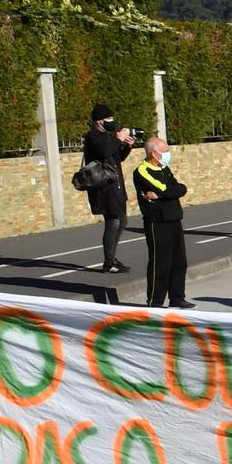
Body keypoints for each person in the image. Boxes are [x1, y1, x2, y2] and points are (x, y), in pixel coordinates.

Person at [133, 137, 192, 311]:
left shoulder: (164, 168)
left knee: (179, 262)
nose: (168, 154)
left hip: (174, 218)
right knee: (160, 263)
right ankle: (155, 301)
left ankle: (177, 298)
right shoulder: (143, 171)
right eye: (165, 151)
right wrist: (166, 193)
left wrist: (162, 195)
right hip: (157, 221)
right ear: (154, 153)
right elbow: (165, 189)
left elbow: (180, 188)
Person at [81, 104, 133, 274]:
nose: (112, 121)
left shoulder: (108, 137)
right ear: (99, 121)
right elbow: (103, 152)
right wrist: (118, 139)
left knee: (122, 221)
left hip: (116, 185)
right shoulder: (93, 137)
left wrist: (127, 146)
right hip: (104, 187)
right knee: (113, 222)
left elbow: (117, 157)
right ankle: (109, 262)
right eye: (108, 119)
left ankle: (112, 258)